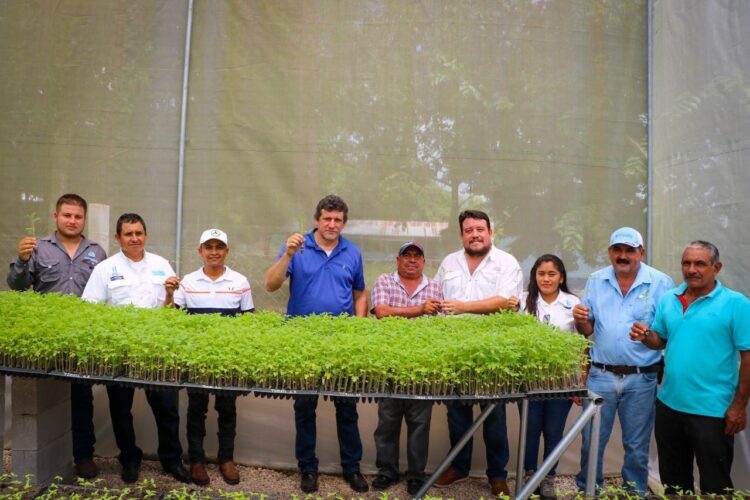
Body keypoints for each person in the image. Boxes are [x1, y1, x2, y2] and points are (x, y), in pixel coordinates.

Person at [263, 194, 369, 494]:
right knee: (305, 406)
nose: (332, 224)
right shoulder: (297, 247)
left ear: (344, 223)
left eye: (337, 220)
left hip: (341, 341)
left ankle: (352, 468)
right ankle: (308, 469)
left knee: (347, 406)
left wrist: (358, 327)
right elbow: (270, 284)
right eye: (327, 219)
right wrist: (288, 255)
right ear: (316, 220)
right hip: (303, 339)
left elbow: (360, 293)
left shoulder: (352, 252)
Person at [630, 241, 750, 495]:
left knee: (715, 486)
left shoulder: (736, 304)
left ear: (717, 267)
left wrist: (739, 406)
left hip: (713, 411)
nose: (691, 269)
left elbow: (748, 357)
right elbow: (660, 340)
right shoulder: (669, 299)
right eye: (686, 263)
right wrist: (646, 335)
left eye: (700, 264)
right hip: (669, 406)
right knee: (674, 484)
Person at [81, 213, 190, 484]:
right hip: (120, 350)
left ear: (146, 235)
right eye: (128, 234)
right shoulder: (105, 269)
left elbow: (172, 311)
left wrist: (169, 295)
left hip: (157, 349)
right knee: (121, 409)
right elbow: (90, 310)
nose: (134, 238)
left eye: (138, 233)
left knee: (167, 407)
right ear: (118, 237)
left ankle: (172, 460)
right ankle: (129, 459)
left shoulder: (161, 265)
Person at [6, 194, 107, 479]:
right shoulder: (37, 248)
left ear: (84, 219)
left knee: (81, 397)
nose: (72, 221)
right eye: (67, 215)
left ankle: (83, 455)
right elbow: (17, 286)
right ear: (56, 217)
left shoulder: (97, 252)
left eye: (77, 216)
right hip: (46, 337)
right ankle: (51, 455)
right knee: (45, 397)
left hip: (81, 337)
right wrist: (22, 260)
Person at [573, 227, 674, 495]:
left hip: (642, 377)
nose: (623, 255)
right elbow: (587, 329)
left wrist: (648, 335)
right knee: (591, 439)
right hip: (600, 374)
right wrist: (580, 320)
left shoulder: (661, 283)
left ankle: (633, 492)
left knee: (637, 444)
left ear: (642, 252)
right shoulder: (596, 280)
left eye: (630, 250)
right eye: (617, 250)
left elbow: (667, 333)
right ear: (610, 252)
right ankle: (589, 490)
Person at [433, 209, 523, 497]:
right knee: (457, 411)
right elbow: (436, 296)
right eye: (469, 230)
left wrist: (462, 307)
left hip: (492, 351)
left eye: (480, 229)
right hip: (454, 348)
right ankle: (459, 467)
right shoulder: (449, 262)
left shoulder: (506, 263)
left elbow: (506, 302)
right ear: (462, 235)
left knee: (494, 414)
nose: (475, 235)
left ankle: (497, 475)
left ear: (490, 232)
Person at [164, 228, 255, 486]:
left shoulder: (240, 281)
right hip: (197, 357)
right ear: (200, 251)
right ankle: (197, 460)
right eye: (209, 247)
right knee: (197, 409)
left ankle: (226, 459)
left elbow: (249, 322)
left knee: (227, 409)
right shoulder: (188, 282)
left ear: (227, 251)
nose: (214, 252)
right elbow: (173, 319)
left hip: (228, 357)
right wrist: (169, 295)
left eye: (219, 247)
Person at [369, 241, 443, 496]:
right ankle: (387, 470)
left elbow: (439, 324)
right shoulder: (384, 281)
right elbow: (381, 312)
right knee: (387, 420)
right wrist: (419, 310)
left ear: (424, 262)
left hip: (423, 363)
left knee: (420, 422)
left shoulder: (434, 287)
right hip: (389, 361)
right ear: (398, 259)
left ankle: (415, 474)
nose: (412, 260)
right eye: (407, 255)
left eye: (417, 256)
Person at [508, 254, 580, 499]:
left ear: (561, 278)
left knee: (553, 431)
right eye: (541, 274)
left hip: (562, 380)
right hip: (530, 379)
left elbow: (581, 342)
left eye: (551, 274)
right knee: (530, 429)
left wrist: (581, 378)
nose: (546, 279)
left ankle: (549, 477)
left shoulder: (573, 303)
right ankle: (530, 475)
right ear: (534, 276)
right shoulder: (522, 301)